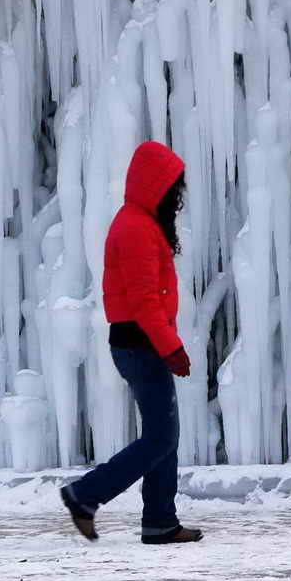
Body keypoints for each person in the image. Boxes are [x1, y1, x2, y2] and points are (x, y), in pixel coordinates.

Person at [60, 141, 203, 545]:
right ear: (155, 186)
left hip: (140, 343)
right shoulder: (136, 228)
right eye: (173, 187)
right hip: (142, 344)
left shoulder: (139, 223)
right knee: (160, 437)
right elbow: (144, 302)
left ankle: (160, 521)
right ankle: (85, 494)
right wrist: (170, 346)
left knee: (164, 434)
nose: (177, 195)